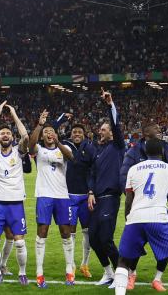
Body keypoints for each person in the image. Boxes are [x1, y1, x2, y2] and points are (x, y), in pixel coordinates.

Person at [118, 117, 168, 291]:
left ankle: (157, 278)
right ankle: (132, 274)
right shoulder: (133, 153)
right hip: (145, 209)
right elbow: (123, 179)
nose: (160, 129)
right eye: (156, 128)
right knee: (145, 250)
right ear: (145, 133)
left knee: (158, 250)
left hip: (155, 208)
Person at [0, 101, 31, 286]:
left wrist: (14, 115)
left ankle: (22, 273)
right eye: (2, 133)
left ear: (12, 137)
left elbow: (25, 136)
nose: (5, 135)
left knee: (19, 243)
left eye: (8, 133)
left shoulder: (19, 152)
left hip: (16, 203)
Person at [28, 110, 75, 288]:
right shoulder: (39, 150)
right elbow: (30, 145)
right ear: (42, 136)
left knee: (66, 232)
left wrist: (57, 142)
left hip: (62, 196)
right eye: (46, 133)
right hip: (44, 196)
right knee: (42, 232)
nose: (49, 134)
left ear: (56, 134)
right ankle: (39, 274)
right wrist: (40, 125)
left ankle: (70, 270)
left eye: (51, 132)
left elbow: (71, 157)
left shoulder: (65, 149)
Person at [87, 89, 126, 287]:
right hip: (97, 199)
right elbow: (92, 174)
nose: (100, 131)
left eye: (104, 129)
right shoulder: (97, 151)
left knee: (105, 238)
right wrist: (91, 192)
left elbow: (116, 126)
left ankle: (121, 274)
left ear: (111, 132)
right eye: (100, 129)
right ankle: (108, 272)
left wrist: (110, 105)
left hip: (110, 197)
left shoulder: (118, 146)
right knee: (93, 238)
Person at [60, 119, 95, 279]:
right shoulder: (65, 146)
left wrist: (91, 191)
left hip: (85, 197)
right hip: (69, 196)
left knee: (87, 232)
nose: (77, 134)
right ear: (71, 134)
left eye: (79, 132)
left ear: (84, 134)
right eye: (74, 132)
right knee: (71, 232)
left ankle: (84, 264)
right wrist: (62, 119)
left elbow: (93, 170)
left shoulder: (90, 148)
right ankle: (71, 265)